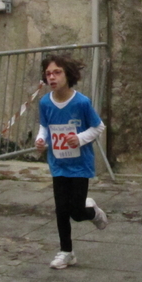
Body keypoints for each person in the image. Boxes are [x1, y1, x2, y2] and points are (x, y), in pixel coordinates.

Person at [35, 54, 107, 270]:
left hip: (80, 164)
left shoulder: (81, 102)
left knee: (76, 212)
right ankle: (66, 251)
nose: (52, 77)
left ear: (68, 75)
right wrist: (41, 139)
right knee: (61, 209)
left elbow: (98, 127)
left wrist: (79, 139)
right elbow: (45, 127)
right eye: (48, 74)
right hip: (58, 163)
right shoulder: (45, 102)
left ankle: (92, 211)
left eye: (57, 72)